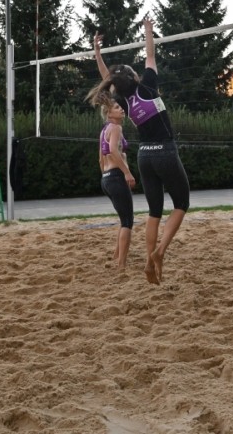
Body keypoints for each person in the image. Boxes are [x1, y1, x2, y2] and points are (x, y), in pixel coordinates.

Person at [88, 17, 190, 284]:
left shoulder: (123, 100)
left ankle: (149, 264)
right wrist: (148, 31)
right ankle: (159, 252)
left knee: (154, 212)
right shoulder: (148, 86)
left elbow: (106, 78)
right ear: (134, 77)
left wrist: (97, 53)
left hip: (144, 156)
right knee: (181, 203)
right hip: (165, 151)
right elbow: (150, 55)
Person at [92, 92, 136, 272]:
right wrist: (127, 173)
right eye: (117, 108)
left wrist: (106, 176)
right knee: (128, 222)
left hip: (107, 178)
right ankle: (122, 265)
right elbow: (113, 151)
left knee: (123, 219)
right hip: (116, 177)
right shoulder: (116, 128)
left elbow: (100, 159)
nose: (122, 109)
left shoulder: (104, 130)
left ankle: (116, 256)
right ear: (109, 113)